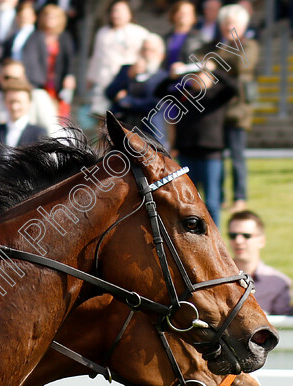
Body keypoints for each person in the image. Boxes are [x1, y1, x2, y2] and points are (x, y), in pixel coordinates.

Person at [155, 60, 236, 225]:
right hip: (187, 152)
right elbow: (159, 92)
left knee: (212, 201)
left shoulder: (218, 94)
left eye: (202, 74)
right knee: (189, 199)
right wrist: (172, 77)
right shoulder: (185, 94)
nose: (198, 78)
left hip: (211, 152)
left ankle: (215, 234)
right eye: (195, 74)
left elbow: (234, 88)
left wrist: (214, 69)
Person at [216, 3, 259, 213]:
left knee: (237, 155)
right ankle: (221, 196)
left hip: (238, 108)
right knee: (218, 155)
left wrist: (215, 65)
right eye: (225, 23)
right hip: (217, 109)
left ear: (242, 25)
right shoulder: (218, 45)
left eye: (232, 23)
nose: (228, 27)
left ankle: (240, 197)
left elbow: (244, 65)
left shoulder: (249, 45)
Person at [86, 0, 149, 115]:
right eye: (114, 11)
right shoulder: (102, 33)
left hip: (127, 82)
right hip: (105, 79)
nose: (116, 14)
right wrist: (90, 77)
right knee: (102, 116)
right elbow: (96, 56)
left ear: (129, 13)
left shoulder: (140, 33)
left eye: (120, 11)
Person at [105, 33, 169, 143]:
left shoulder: (164, 77)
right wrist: (129, 76)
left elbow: (155, 104)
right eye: (144, 49)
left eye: (151, 50)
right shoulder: (127, 69)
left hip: (149, 130)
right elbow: (109, 92)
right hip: (124, 126)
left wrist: (124, 101)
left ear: (161, 55)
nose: (146, 54)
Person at [227, 210, 291, 315]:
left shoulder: (279, 283)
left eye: (246, 235)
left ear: (262, 241)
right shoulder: (215, 278)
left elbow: (285, 326)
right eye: (233, 235)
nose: (238, 241)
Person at [19, 4, 75, 117]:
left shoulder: (64, 37)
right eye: (47, 16)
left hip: (57, 80)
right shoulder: (35, 36)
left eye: (54, 17)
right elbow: (30, 58)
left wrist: (70, 75)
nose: (50, 19)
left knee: (59, 113)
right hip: (40, 80)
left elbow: (69, 59)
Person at [0, 77, 46, 153]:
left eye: (19, 102)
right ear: (4, 102)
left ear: (29, 103)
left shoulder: (38, 134)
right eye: (11, 102)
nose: (15, 107)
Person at [163, 1, 204, 68]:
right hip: (167, 77)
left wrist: (184, 68)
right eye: (181, 12)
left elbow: (202, 61)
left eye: (187, 13)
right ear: (174, 15)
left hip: (189, 77)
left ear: (194, 17)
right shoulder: (165, 39)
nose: (183, 15)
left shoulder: (200, 39)